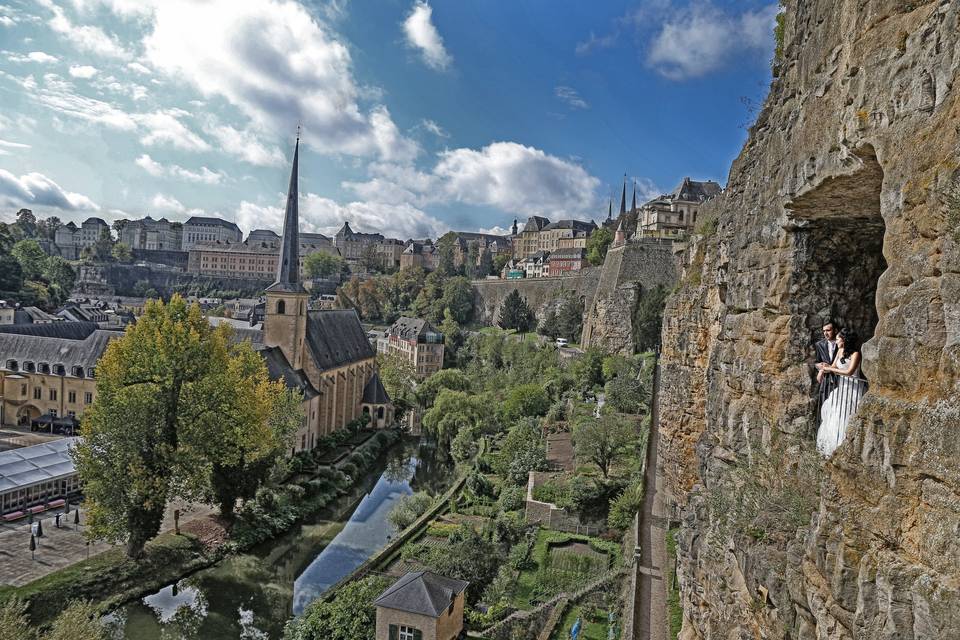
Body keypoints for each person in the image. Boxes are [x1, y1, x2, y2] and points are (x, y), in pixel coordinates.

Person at [816, 327, 867, 456]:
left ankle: (844, 446)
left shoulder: (856, 354)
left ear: (844, 339)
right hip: (841, 388)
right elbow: (833, 366)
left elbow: (849, 372)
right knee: (834, 414)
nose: (836, 341)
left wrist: (833, 370)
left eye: (838, 338)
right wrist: (823, 369)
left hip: (853, 388)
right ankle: (831, 447)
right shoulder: (840, 351)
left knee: (846, 415)